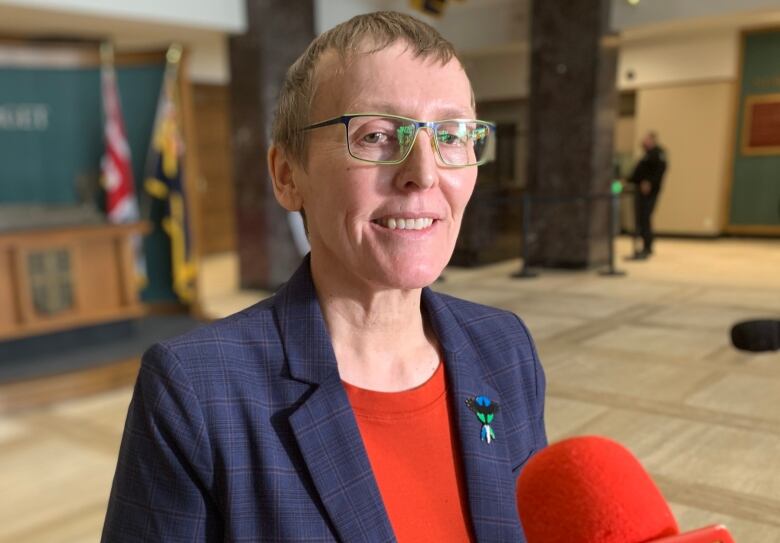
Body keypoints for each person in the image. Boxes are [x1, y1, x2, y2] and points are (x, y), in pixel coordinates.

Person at [102, 11, 547, 542]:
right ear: (288, 176)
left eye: (452, 135)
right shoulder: (196, 391)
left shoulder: (505, 348)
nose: (424, 174)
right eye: (379, 135)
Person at [628, 131, 667, 259]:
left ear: (653, 140)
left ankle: (647, 247)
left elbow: (659, 172)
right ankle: (642, 247)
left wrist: (649, 183)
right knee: (641, 219)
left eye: (647, 140)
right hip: (640, 190)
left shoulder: (658, 154)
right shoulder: (647, 154)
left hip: (649, 193)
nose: (644, 142)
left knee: (645, 218)